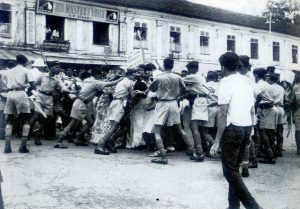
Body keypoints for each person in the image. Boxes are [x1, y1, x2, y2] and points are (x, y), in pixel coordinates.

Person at [210, 52, 261, 209]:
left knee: (229, 171)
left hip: (233, 128)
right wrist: (250, 130)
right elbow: (252, 109)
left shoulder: (225, 82)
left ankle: (253, 206)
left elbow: (223, 114)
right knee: (235, 170)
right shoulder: (247, 81)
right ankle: (233, 206)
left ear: (223, 67)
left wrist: (216, 141)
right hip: (246, 127)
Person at [55, 69, 124, 148]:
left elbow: (106, 81)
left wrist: (114, 77)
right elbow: (110, 83)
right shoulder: (95, 82)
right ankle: (59, 141)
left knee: (90, 122)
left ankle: (79, 137)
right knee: (72, 123)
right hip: (81, 103)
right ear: (96, 75)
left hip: (82, 103)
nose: (101, 76)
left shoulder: (93, 81)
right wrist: (120, 79)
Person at [147, 57, 190, 164]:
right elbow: (185, 89)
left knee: (157, 130)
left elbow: (151, 89)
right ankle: (195, 151)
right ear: (172, 65)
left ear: (164, 65)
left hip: (162, 103)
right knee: (180, 128)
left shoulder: (159, 77)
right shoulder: (178, 77)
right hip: (173, 102)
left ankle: (163, 156)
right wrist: (177, 95)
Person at [94, 69, 137, 155]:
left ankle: (109, 142)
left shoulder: (123, 81)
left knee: (124, 127)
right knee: (113, 127)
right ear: (129, 75)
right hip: (118, 104)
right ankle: (100, 145)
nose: (135, 77)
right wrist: (141, 92)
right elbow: (132, 95)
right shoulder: (129, 82)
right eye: (134, 75)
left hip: (116, 103)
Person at [3, 55, 34, 153]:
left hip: (10, 93)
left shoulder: (10, 71)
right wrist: (30, 89)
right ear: (25, 62)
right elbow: (32, 84)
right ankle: (23, 146)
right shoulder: (25, 70)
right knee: (26, 119)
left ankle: (7, 147)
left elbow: (6, 83)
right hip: (21, 93)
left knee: (9, 119)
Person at [182, 61, 210, 162]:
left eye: (189, 69)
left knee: (194, 128)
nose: (188, 71)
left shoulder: (194, 76)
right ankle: (201, 150)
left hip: (199, 100)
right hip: (201, 100)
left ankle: (199, 152)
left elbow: (180, 80)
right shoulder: (200, 76)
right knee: (198, 128)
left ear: (194, 69)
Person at [253, 68, 276, 164]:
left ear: (256, 75)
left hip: (264, 110)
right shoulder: (268, 84)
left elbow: (257, 97)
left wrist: (254, 105)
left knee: (263, 133)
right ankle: (273, 153)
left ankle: (270, 156)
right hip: (270, 108)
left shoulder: (259, 85)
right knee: (270, 133)